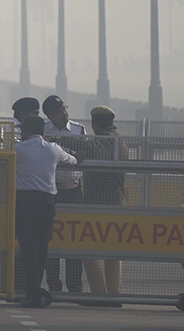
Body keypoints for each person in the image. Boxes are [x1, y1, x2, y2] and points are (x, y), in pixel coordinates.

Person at [15, 114, 78, 307]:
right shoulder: (53, 150)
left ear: (25, 131)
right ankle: (35, 291)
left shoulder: (18, 149)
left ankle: (31, 291)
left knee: (27, 248)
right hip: (47, 203)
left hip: (24, 202)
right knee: (42, 248)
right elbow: (72, 161)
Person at [42, 95, 86, 293]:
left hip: (74, 189)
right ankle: (54, 284)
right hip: (53, 190)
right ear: (50, 116)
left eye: (65, 109)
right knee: (51, 240)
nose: (64, 114)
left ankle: (75, 285)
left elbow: (87, 153)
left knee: (74, 240)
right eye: (59, 112)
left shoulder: (79, 129)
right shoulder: (43, 131)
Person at [81, 106, 124, 301]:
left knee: (88, 250)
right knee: (112, 252)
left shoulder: (107, 141)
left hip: (101, 203)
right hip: (113, 203)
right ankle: (113, 294)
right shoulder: (118, 139)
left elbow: (90, 150)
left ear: (95, 123)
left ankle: (101, 294)